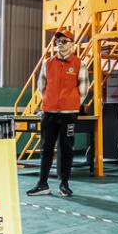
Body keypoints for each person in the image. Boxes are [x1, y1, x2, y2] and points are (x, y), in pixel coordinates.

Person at [27, 29, 88, 198]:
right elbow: (41, 85)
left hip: (69, 114)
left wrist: (71, 103)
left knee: (67, 148)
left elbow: (83, 89)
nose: (60, 44)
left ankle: (64, 185)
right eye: (58, 41)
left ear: (72, 44)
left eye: (64, 41)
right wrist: (49, 100)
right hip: (49, 112)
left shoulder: (79, 64)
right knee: (46, 148)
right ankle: (42, 184)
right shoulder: (47, 63)